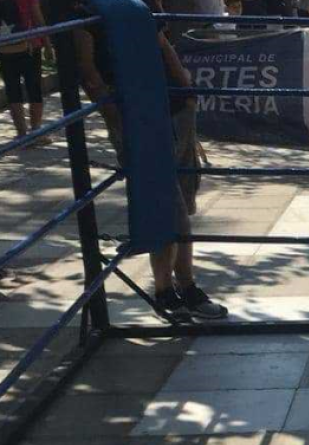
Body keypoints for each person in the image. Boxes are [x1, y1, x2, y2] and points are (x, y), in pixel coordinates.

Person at [65, 0, 228, 320]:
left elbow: (163, 45)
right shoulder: (86, 15)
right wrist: (117, 119)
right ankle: (176, 287)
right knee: (169, 205)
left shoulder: (134, 7)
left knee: (180, 198)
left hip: (172, 109)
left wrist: (187, 92)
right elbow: (89, 74)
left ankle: (175, 288)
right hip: (141, 117)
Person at [0, 0, 50, 146]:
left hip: (5, 46)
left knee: (12, 89)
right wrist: (47, 43)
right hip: (30, 44)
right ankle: (36, 132)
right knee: (34, 87)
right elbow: (37, 16)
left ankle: (21, 134)